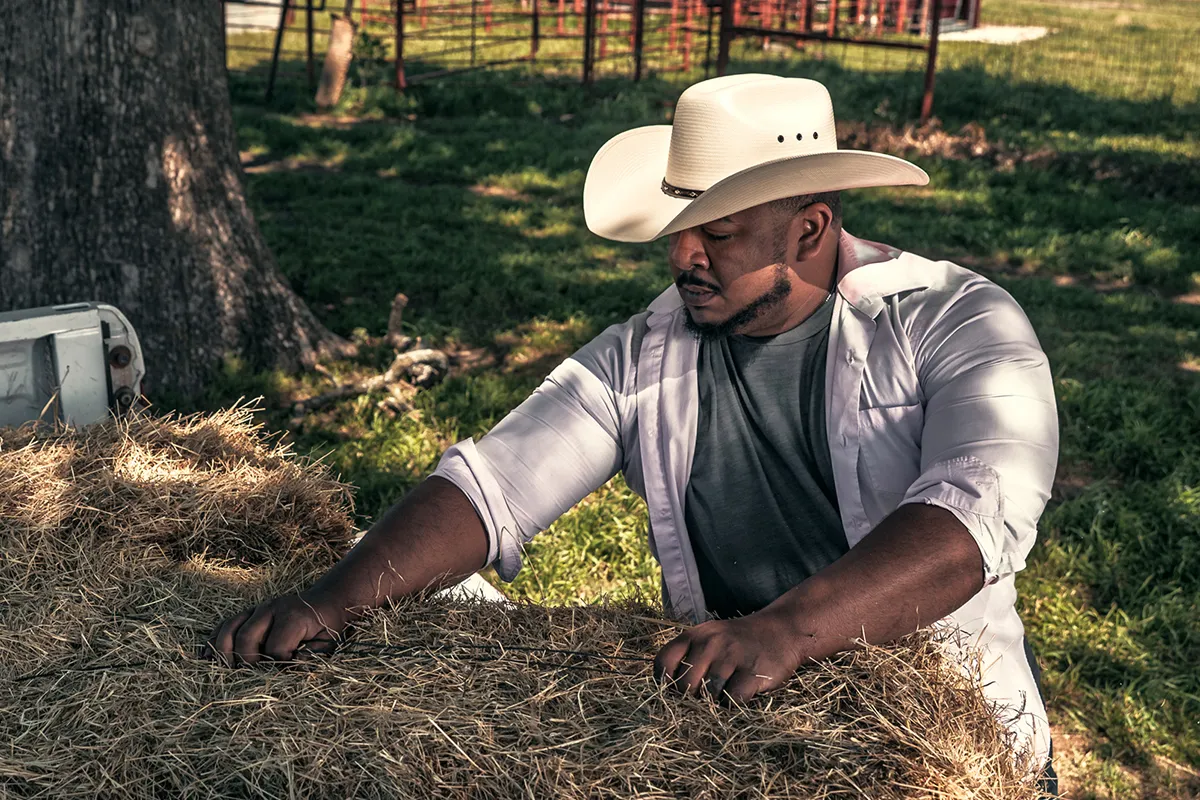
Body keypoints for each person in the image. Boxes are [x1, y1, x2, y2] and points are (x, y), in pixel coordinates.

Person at [208, 74, 1059, 786]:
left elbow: (971, 519)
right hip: (746, 728)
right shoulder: (645, 355)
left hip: (939, 740)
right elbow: (493, 484)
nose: (684, 257)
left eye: (717, 235)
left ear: (810, 227)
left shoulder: (957, 323)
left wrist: (785, 629)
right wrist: (337, 600)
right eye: (677, 230)